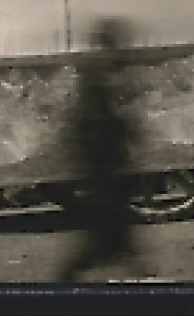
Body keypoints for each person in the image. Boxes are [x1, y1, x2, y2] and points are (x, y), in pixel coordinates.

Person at [57, 18, 154, 283]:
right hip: (101, 174)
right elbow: (90, 129)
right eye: (114, 45)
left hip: (107, 173)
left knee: (113, 242)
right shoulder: (94, 79)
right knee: (104, 243)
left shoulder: (100, 76)